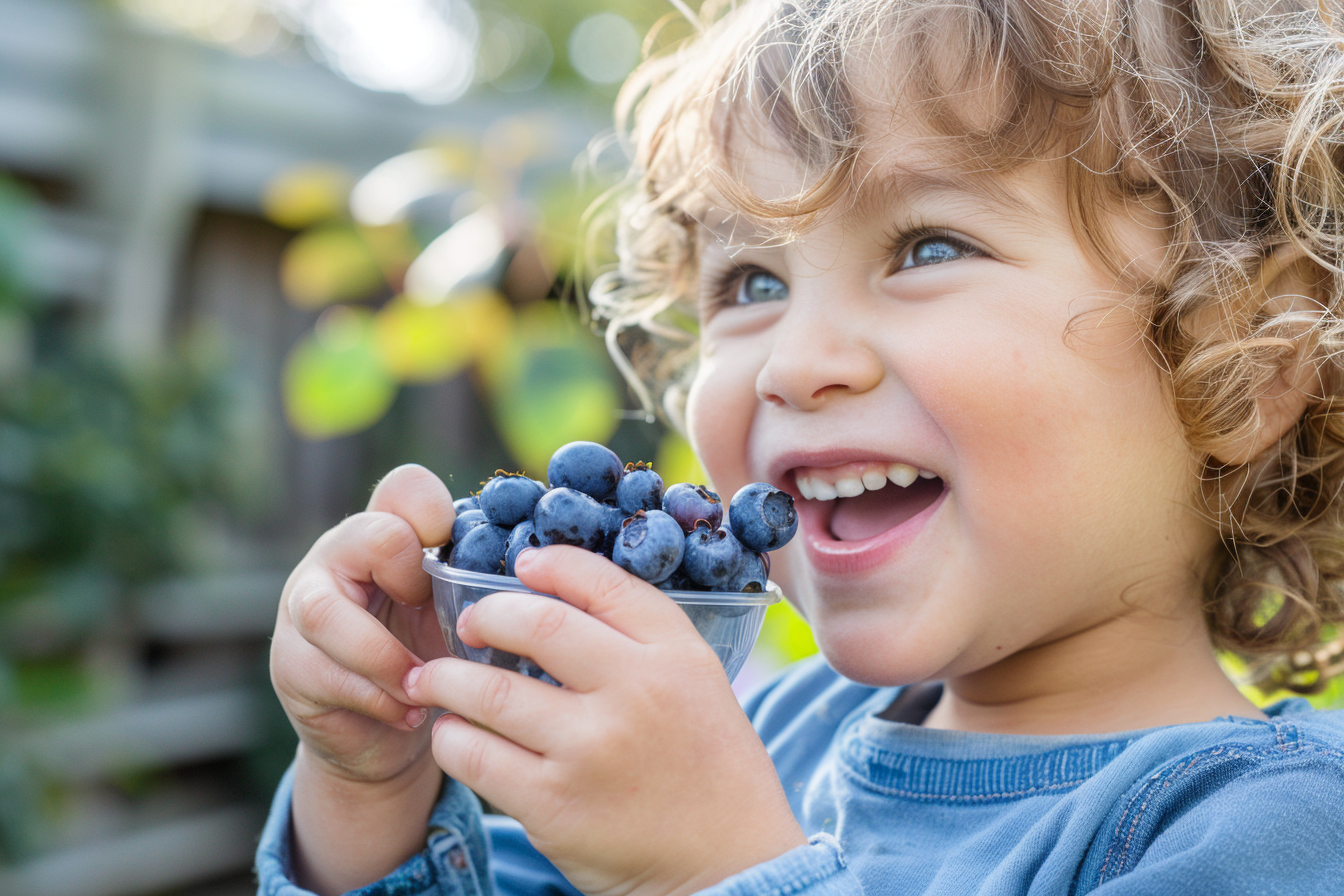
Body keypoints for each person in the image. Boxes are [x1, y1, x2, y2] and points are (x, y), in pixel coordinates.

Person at [256, 1, 1344, 893]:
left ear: (1250, 358)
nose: (791, 361)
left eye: (929, 247)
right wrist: (368, 784)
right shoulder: (759, 732)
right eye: (750, 282)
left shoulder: (1274, 833)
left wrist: (720, 872)